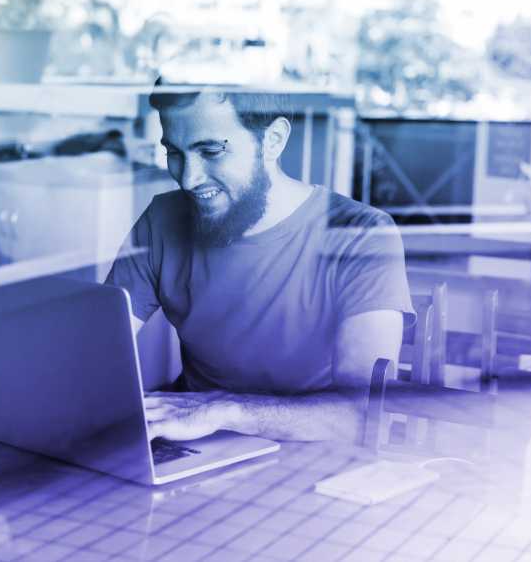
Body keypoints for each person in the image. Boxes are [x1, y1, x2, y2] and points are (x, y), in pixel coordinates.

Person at [106, 80, 415, 443]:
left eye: (211, 151)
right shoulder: (162, 219)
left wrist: (225, 412)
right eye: (175, 153)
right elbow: (92, 354)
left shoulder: (360, 234)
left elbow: (364, 414)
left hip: (310, 453)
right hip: (191, 445)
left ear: (273, 140)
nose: (188, 179)